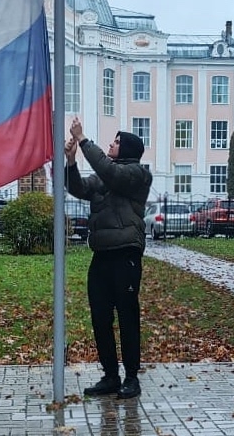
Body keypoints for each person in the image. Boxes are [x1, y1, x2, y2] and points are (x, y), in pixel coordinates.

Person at [65, 117, 151, 399]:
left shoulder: (137, 174)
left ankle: (131, 378)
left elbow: (111, 173)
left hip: (125, 255)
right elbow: (78, 189)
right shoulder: (105, 175)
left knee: (127, 317)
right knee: (100, 318)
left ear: (125, 148)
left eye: (115, 142)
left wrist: (83, 139)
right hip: (101, 257)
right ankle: (110, 376)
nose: (110, 145)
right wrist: (71, 162)